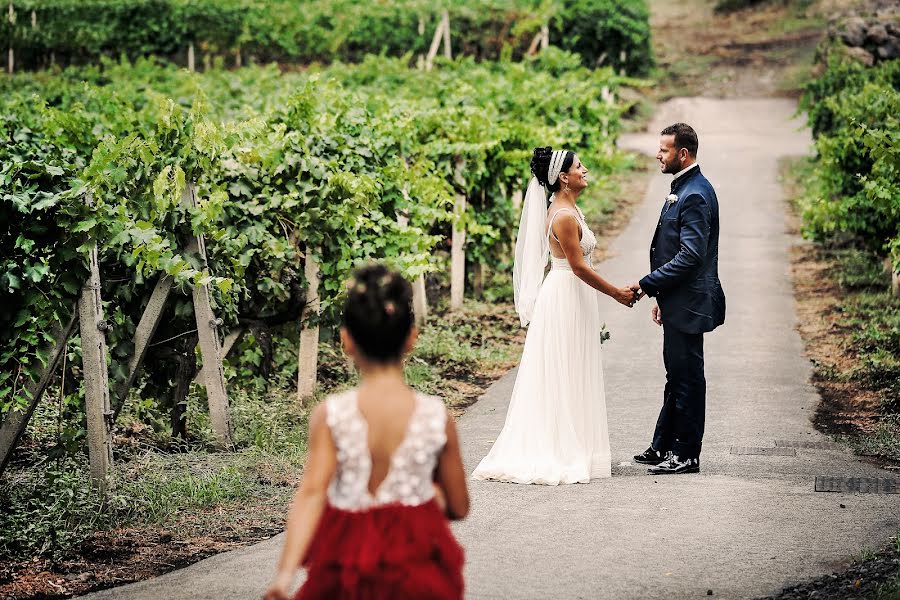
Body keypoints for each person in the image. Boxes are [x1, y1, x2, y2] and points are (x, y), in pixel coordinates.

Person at [264, 264, 469, 600]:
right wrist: (427, 490)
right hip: (416, 571)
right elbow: (459, 507)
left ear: (346, 341)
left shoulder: (331, 415)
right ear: (411, 338)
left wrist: (284, 577)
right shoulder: (436, 416)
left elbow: (312, 493)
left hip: (345, 566)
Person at [471, 147, 639, 485]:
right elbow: (577, 267)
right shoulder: (562, 215)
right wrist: (617, 293)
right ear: (563, 177)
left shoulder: (569, 207)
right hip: (564, 293)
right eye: (579, 166)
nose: (585, 169)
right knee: (563, 369)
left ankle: (574, 442)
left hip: (571, 294)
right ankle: (560, 449)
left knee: (572, 366)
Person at [630, 123, 726, 475]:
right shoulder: (685, 188)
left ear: (682, 153)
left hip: (690, 302)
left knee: (687, 377)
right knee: (676, 374)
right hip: (677, 300)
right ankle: (663, 446)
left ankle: (686, 453)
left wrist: (646, 285)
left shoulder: (696, 194)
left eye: (664, 150)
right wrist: (662, 296)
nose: (658, 154)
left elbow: (690, 256)